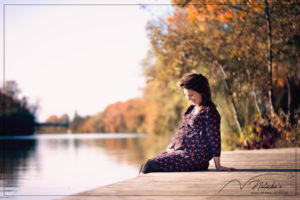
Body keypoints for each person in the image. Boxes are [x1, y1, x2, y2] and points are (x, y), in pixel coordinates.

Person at [139, 73, 235, 174]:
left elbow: (214, 140)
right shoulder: (191, 110)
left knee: (149, 165)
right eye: (186, 95)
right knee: (147, 164)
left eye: (191, 95)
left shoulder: (209, 112)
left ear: (202, 92)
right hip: (182, 154)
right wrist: (172, 145)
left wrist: (218, 166)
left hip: (193, 158)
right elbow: (183, 130)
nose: (188, 98)